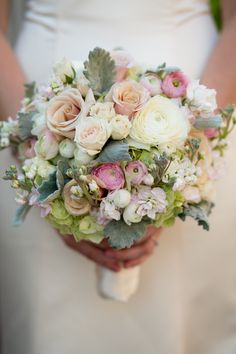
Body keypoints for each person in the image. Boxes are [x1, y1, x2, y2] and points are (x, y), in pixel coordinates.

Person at [0, 0, 236, 353]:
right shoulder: (37, 142)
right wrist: (40, 155)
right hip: (32, 103)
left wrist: (187, 157)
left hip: (199, 106)